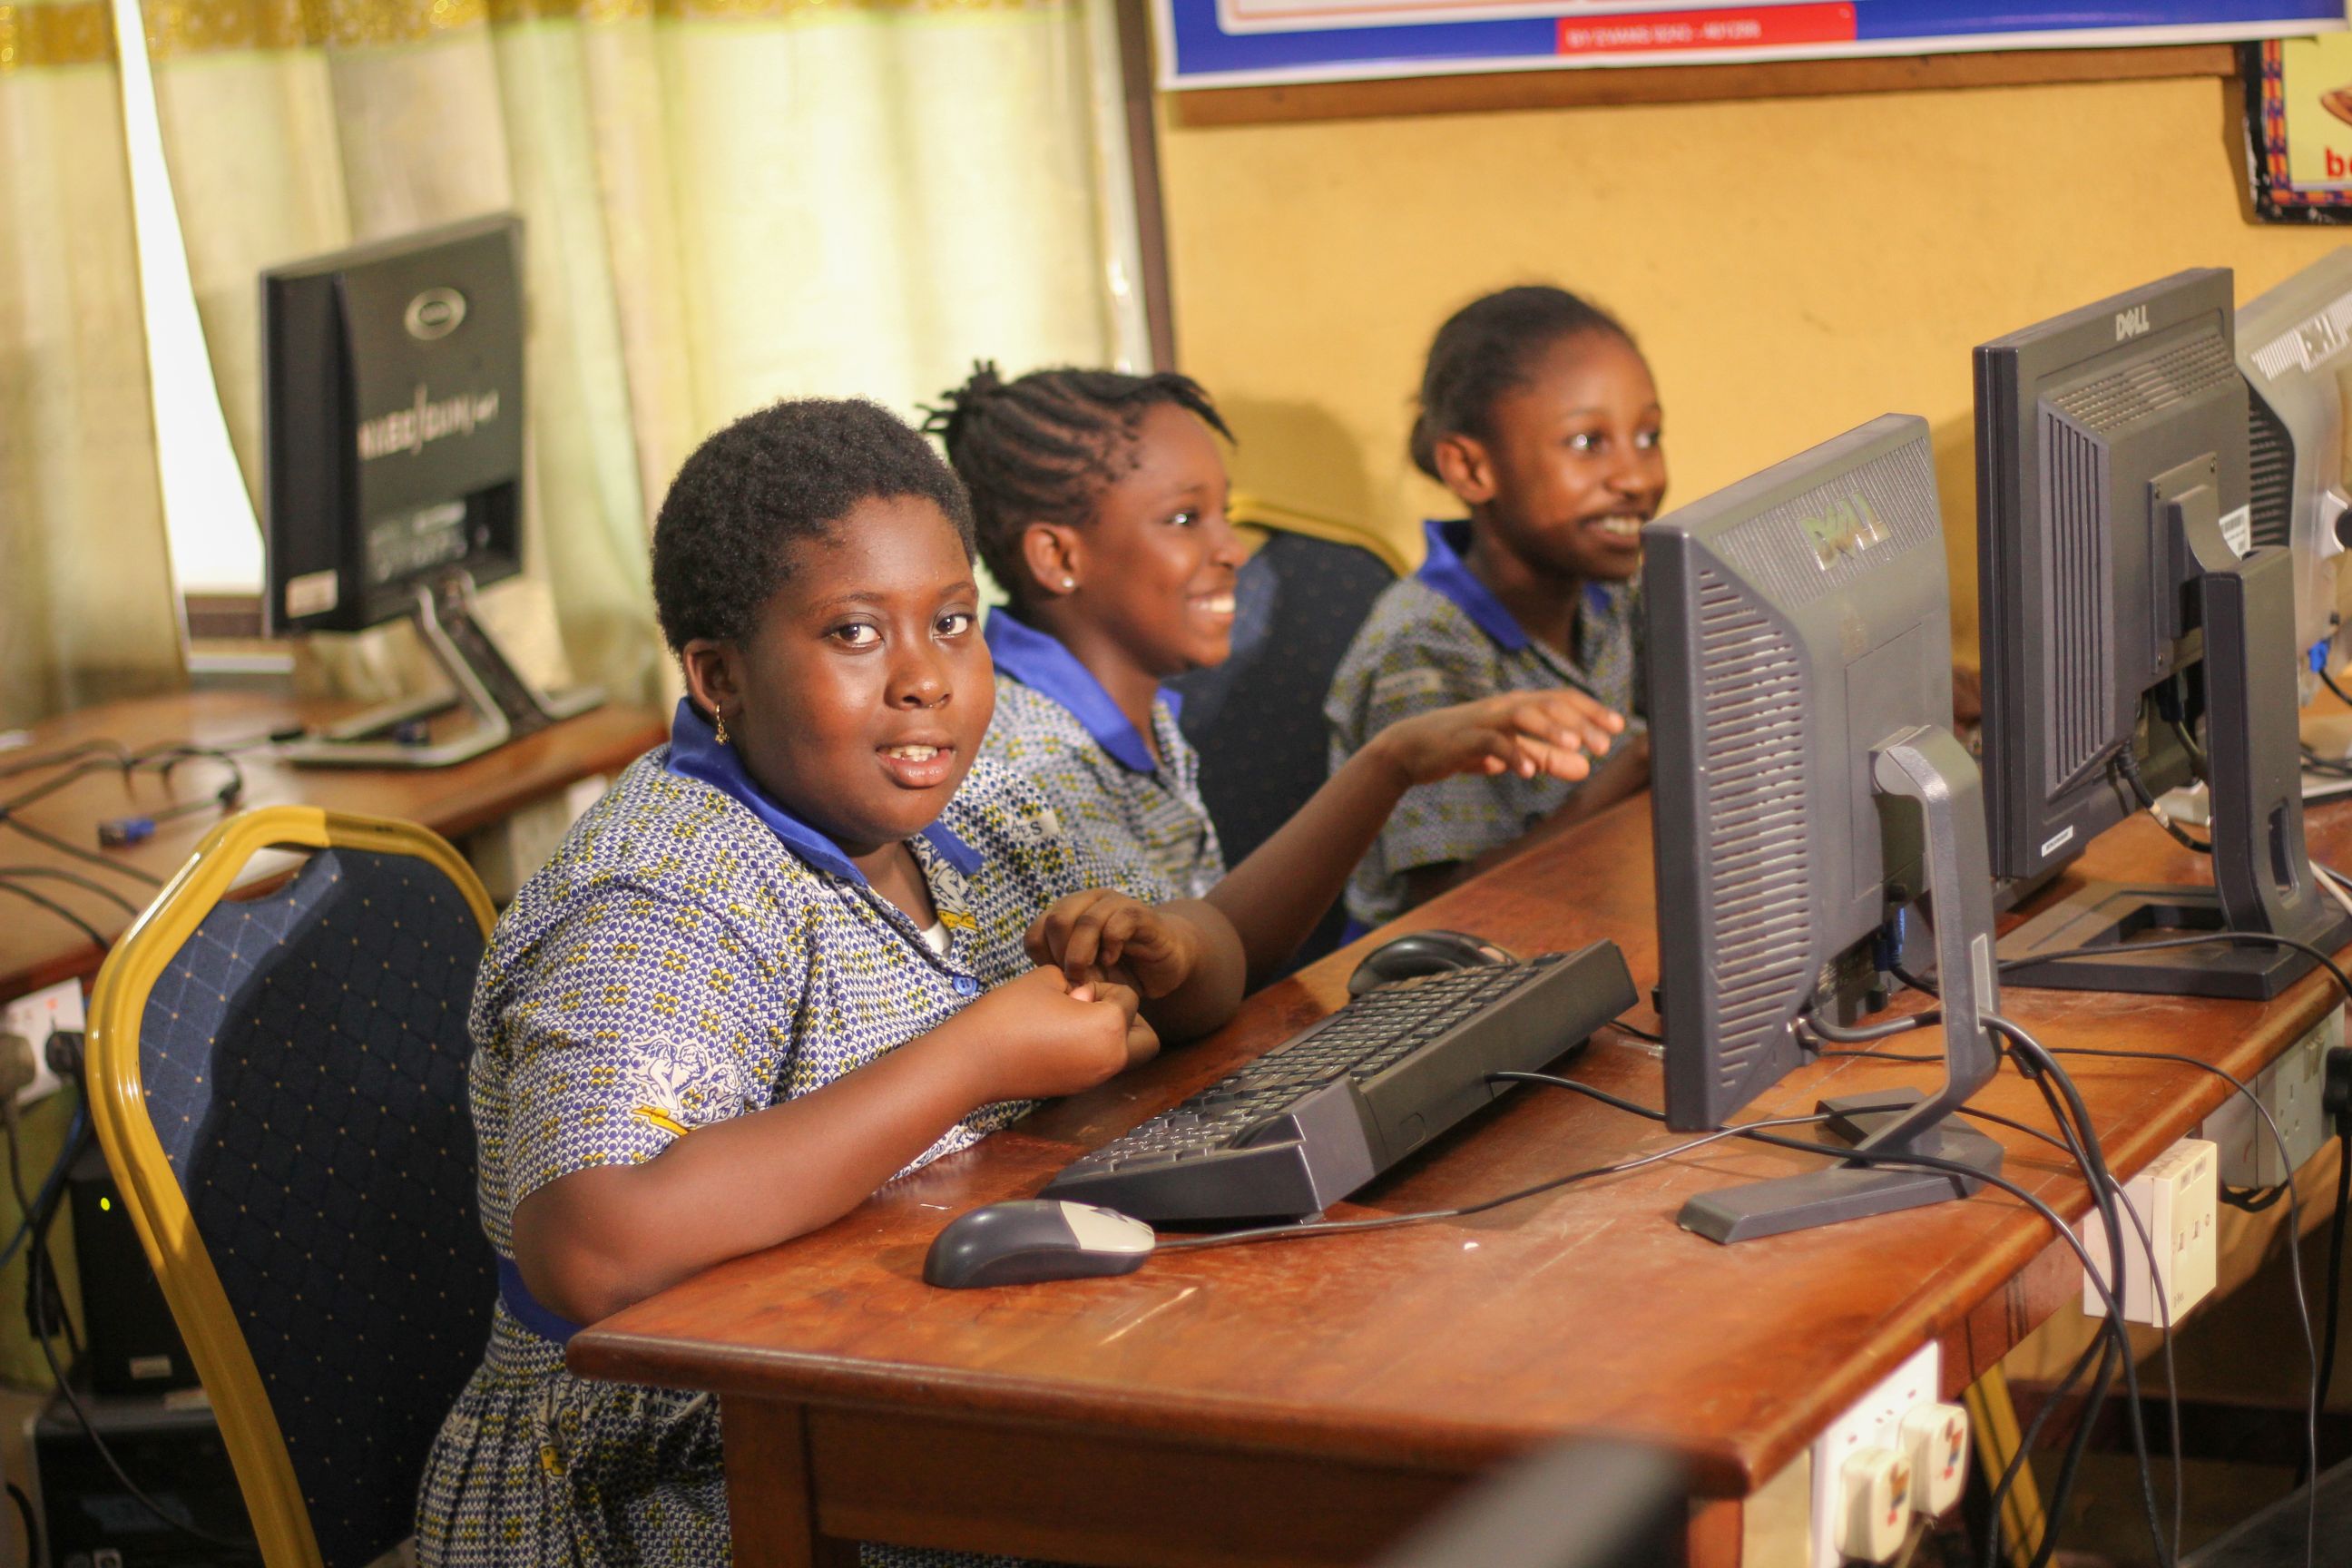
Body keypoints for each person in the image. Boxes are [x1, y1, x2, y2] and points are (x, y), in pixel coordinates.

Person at [416, 397, 1244, 1568]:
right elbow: (596, 1245)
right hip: (661, 1481)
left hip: (901, 1376)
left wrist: (1175, 952)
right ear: (719, 673)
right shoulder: (664, 894)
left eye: (953, 622)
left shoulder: (967, 808)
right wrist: (977, 1060)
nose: (926, 680)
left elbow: (1201, 985)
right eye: (855, 634)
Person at [929, 364, 1622, 986]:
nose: (1231, 549)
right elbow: (1186, 985)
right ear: (1057, 557)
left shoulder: (1137, 714)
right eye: (1183, 519)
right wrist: (1391, 762)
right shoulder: (1029, 764)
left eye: (1223, 515)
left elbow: (1206, 946)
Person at [1326, 286, 1666, 931]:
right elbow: (1443, 914)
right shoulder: (1424, 649)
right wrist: (1634, 768)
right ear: (1472, 468)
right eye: (1589, 443)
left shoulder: (1614, 593)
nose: (1636, 477)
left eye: (1648, 435)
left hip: (1589, 919)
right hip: (1433, 987)